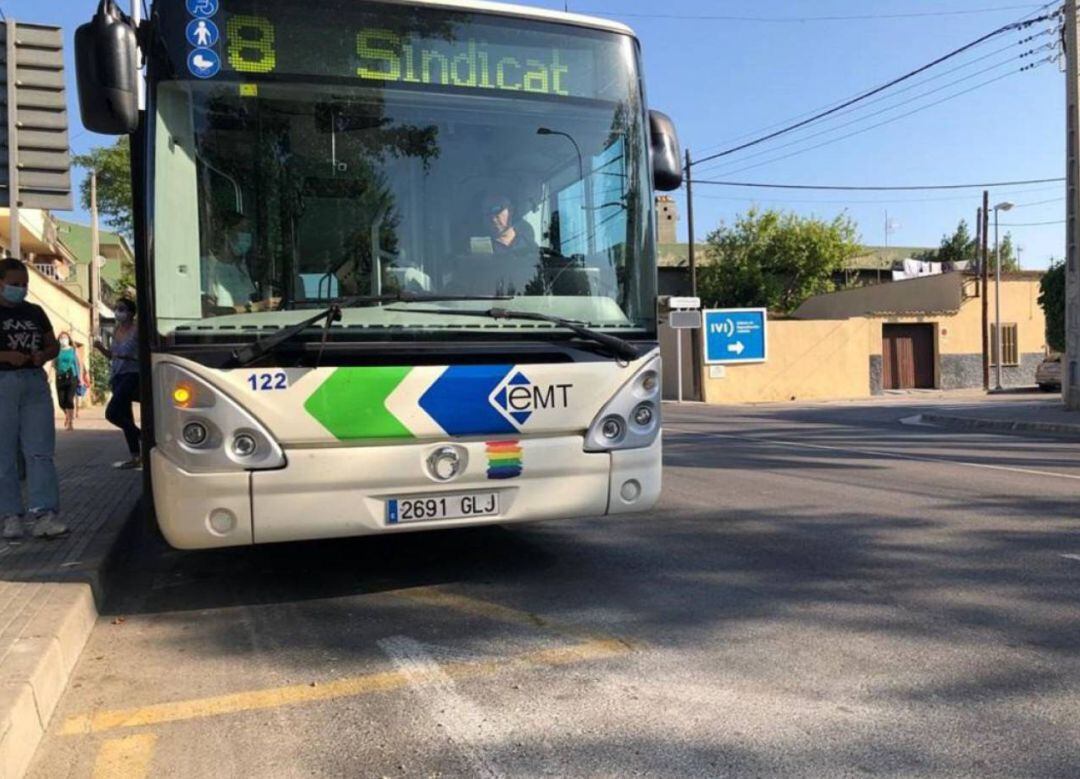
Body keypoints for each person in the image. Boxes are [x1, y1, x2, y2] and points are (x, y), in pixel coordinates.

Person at [0, 257, 68, 539]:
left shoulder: (35, 312)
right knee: (4, 452)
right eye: (14, 284)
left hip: (34, 382)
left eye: (24, 284)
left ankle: (44, 514)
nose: (20, 289)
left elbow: (52, 344)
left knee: (40, 451)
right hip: (3, 381)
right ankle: (10, 516)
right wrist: (5, 355)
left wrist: (44, 354)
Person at [94, 298, 141, 470]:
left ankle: (143, 436)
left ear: (131, 312)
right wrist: (100, 348)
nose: (118, 312)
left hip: (132, 374)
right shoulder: (117, 330)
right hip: (118, 375)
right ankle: (136, 456)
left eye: (121, 309)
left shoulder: (137, 330)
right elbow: (112, 355)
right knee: (125, 416)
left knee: (112, 413)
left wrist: (130, 357)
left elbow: (142, 353)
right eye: (116, 309)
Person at [201, 214, 259, 314]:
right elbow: (207, 310)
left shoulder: (241, 267)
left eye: (249, 231)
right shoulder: (205, 266)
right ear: (226, 233)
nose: (247, 236)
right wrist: (256, 307)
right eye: (242, 230)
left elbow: (248, 301)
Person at [54, 331, 88, 431]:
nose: (63, 339)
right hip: (60, 377)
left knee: (69, 400)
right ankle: (68, 416)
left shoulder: (74, 350)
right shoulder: (57, 351)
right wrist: (50, 376)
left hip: (72, 376)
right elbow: (53, 364)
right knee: (61, 402)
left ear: (68, 339)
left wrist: (80, 377)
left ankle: (70, 423)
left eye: (65, 337)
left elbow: (80, 364)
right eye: (61, 338)